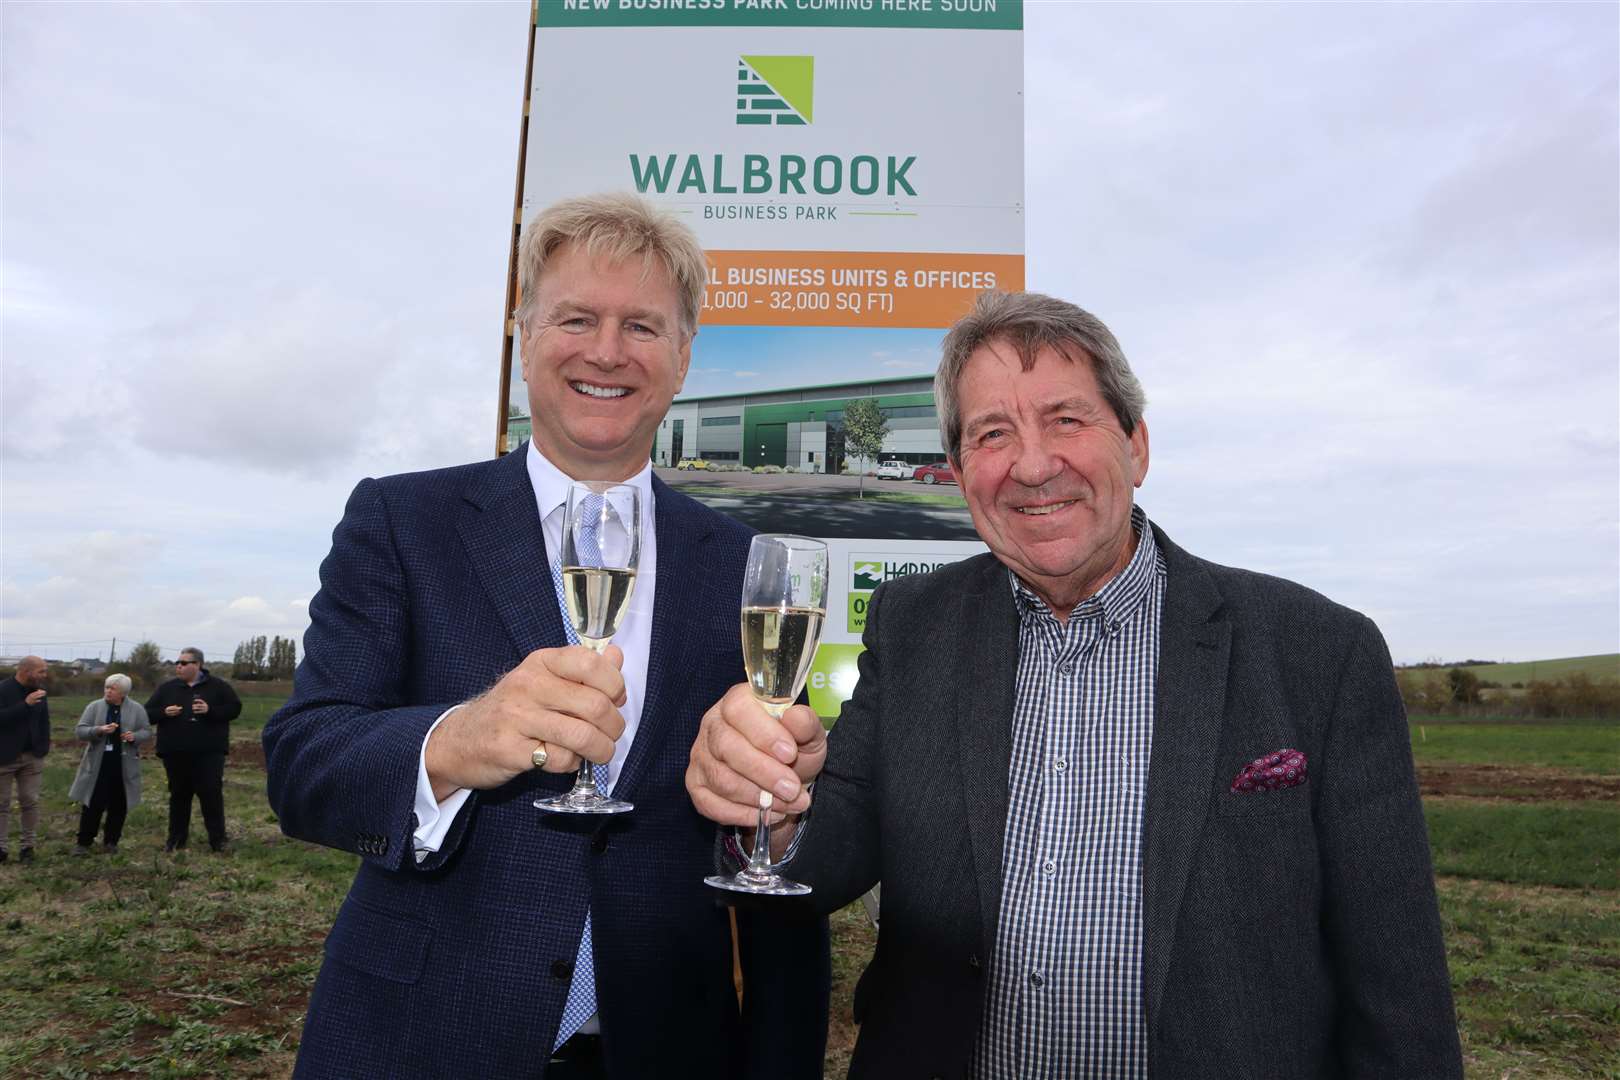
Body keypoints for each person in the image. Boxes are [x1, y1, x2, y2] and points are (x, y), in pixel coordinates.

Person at [688, 290, 1465, 1078]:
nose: (1032, 465)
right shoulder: (913, 624)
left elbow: (1398, 992)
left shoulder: (1318, 653)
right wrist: (775, 820)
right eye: (993, 434)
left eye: (1066, 419)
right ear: (959, 474)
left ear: (1136, 446)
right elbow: (839, 842)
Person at [261, 193, 828, 1080]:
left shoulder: (743, 564)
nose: (607, 351)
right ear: (523, 335)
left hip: (671, 1048)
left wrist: (775, 814)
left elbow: (753, 844)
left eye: (643, 326)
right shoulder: (402, 519)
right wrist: (455, 740)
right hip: (423, 1041)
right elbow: (304, 764)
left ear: (683, 359)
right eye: (575, 318)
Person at [144, 648, 241, 852]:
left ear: (198, 665)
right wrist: (164, 712)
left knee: (211, 795)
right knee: (179, 796)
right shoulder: (167, 689)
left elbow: (235, 709)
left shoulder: (218, 687)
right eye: (177, 663)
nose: (178, 666)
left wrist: (210, 711)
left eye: (184, 662)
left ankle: (218, 841)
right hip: (175, 752)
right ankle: (176, 841)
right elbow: (147, 714)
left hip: (208, 753)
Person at [69, 673, 153, 854]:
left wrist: (134, 737)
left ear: (123, 692)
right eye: (106, 687)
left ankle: (111, 842)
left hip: (123, 766)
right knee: (93, 803)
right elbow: (80, 731)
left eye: (112, 689)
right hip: (98, 765)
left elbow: (146, 731)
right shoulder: (94, 707)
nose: (107, 691)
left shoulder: (137, 709)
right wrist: (98, 730)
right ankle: (83, 842)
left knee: (119, 805)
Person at [0, 655, 51, 865]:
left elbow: (44, 721)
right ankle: (1, 849)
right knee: (1, 804)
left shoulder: (39, 693)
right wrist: (25, 705)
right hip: (4, 757)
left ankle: (27, 847)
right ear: (26, 671)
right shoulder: (3, 690)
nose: (44, 675)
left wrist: (44, 746)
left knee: (30, 801)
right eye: (41, 671)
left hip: (32, 757)